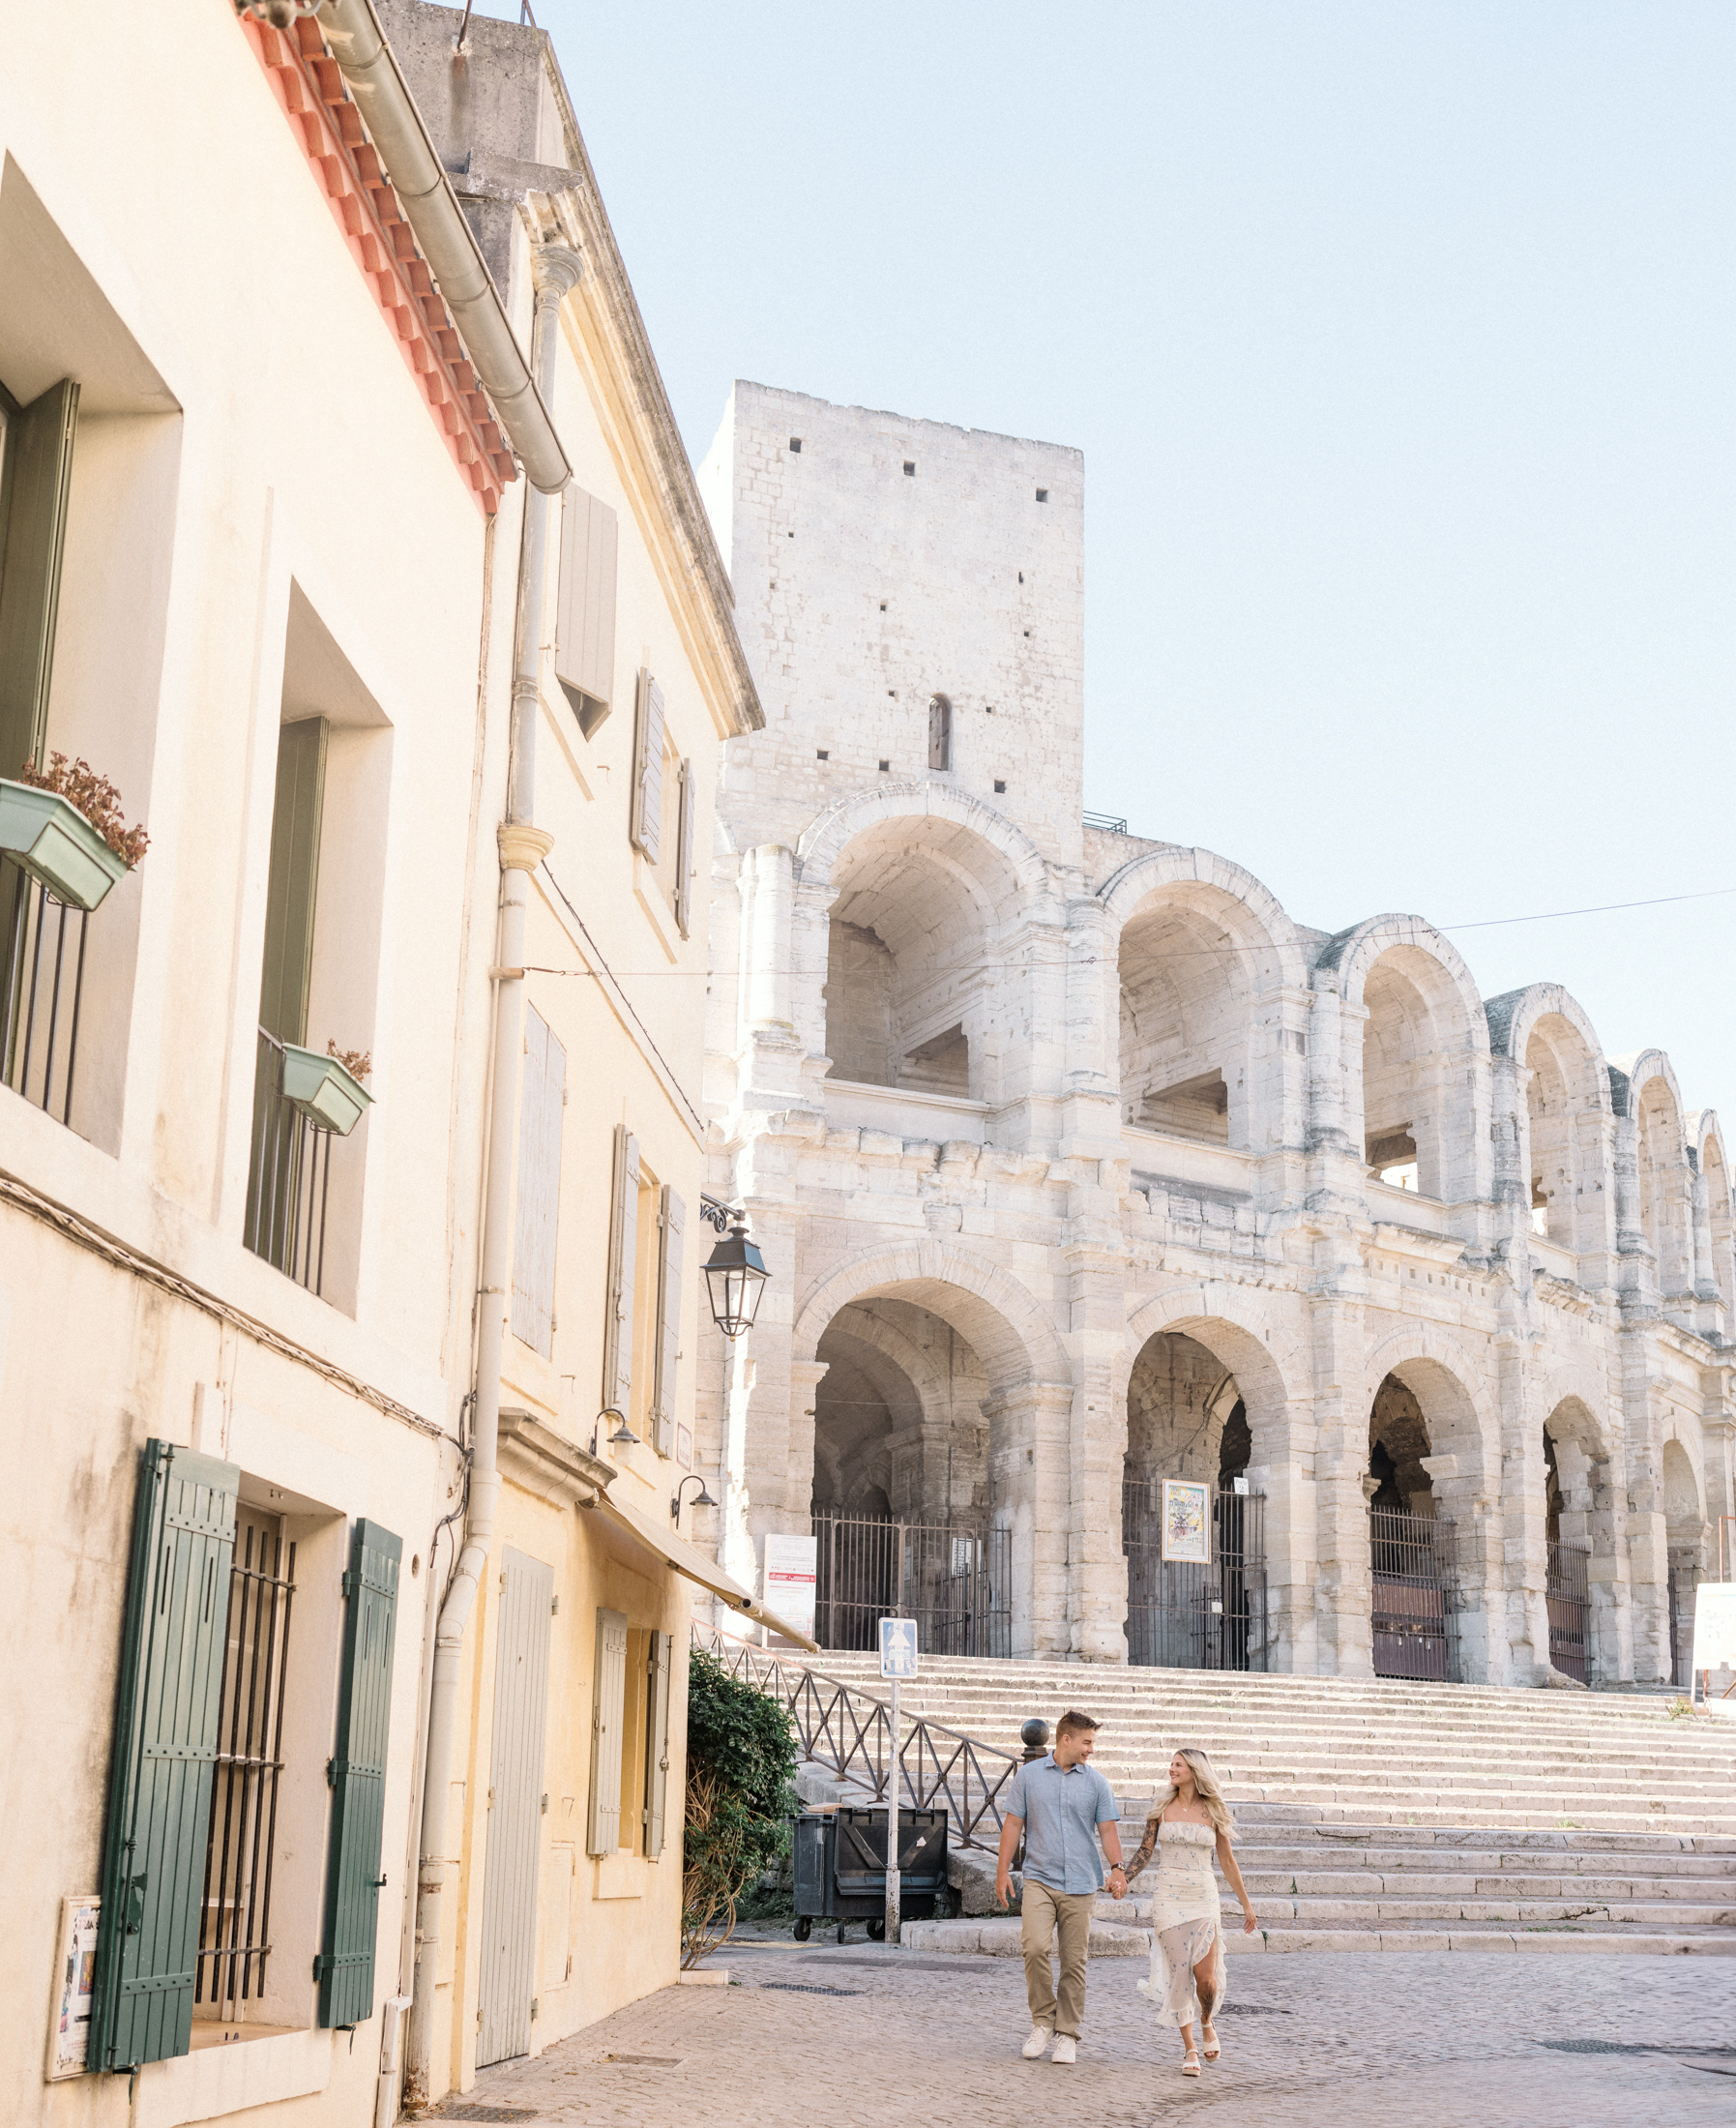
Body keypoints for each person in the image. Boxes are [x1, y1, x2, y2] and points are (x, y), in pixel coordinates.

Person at [994, 1710, 1127, 2065]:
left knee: (1074, 1961)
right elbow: (1013, 1825)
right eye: (1087, 1742)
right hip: (1040, 1877)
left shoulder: (1097, 1783)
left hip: (1082, 1883)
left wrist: (1117, 1869)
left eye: (1093, 1743)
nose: (1091, 1750)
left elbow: (1108, 1830)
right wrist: (1002, 1871)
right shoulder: (1030, 1777)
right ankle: (1042, 2021)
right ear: (1066, 1739)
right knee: (1034, 1948)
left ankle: (1067, 2034)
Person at [1123, 1746, 1257, 2077]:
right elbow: (1145, 1850)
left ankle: (1207, 2021)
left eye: (1178, 1765)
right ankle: (1190, 2047)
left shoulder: (1214, 1811)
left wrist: (1246, 1904)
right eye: (1171, 1764)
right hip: (1168, 1896)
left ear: (1194, 1770)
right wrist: (1123, 1879)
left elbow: (1227, 1860)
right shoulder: (1161, 1808)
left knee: (1206, 1981)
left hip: (1202, 1896)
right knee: (1179, 1975)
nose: (1171, 1769)